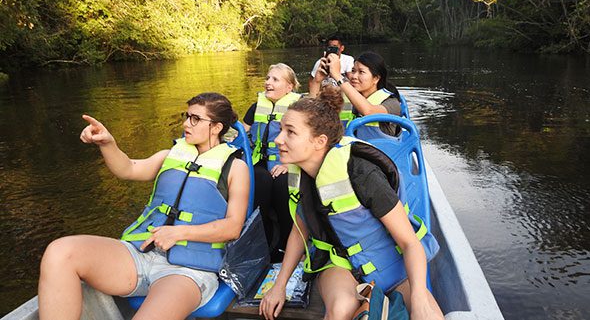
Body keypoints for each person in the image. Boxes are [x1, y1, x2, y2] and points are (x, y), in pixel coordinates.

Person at [38, 93, 250, 320]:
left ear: (216, 127)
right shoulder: (169, 155)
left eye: (195, 119)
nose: (186, 123)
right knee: (60, 252)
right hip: (141, 254)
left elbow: (233, 227)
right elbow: (127, 168)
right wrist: (108, 143)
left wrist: (179, 232)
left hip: (188, 271)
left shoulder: (236, 168)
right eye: (186, 116)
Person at [259, 87, 443, 320]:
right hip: (338, 263)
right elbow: (299, 230)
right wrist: (279, 286)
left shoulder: (362, 173)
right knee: (340, 310)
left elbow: (409, 243)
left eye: (290, 132)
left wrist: (418, 300)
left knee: (429, 316)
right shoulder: (298, 174)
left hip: (388, 260)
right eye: (281, 129)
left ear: (320, 141)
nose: (278, 139)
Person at [242, 63, 301, 261]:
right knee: (260, 179)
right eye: (268, 78)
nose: (268, 82)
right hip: (259, 161)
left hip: (289, 161)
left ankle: (287, 243)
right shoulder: (256, 106)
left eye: (275, 79)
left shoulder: (299, 108)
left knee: (282, 184)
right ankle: (263, 241)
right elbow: (242, 135)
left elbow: (307, 142)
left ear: (289, 87)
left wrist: (288, 164)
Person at [327, 51, 402, 138]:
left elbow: (369, 111)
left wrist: (338, 76)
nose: (354, 76)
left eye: (361, 72)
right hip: (348, 149)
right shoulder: (342, 97)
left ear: (376, 78)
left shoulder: (392, 103)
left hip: (379, 150)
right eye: (353, 71)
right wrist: (316, 82)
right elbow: (315, 116)